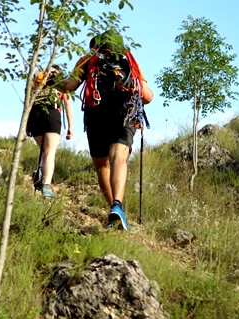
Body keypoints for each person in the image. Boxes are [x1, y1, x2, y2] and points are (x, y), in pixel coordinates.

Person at [60, 33, 153, 229]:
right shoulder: (130, 60)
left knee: (102, 165)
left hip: (97, 115)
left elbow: (69, 86)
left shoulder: (87, 60)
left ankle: (113, 209)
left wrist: (51, 80)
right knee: (118, 157)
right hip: (125, 115)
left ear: (95, 46)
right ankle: (117, 207)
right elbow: (147, 96)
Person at [26, 65, 74, 198]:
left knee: (44, 151)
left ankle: (40, 170)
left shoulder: (37, 81)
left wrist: (27, 125)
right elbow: (68, 104)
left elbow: (29, 102)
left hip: (34, 115)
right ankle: (46, 185)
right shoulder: (60, 81)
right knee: (49, 152)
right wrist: (70, 126)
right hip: (52, 113)